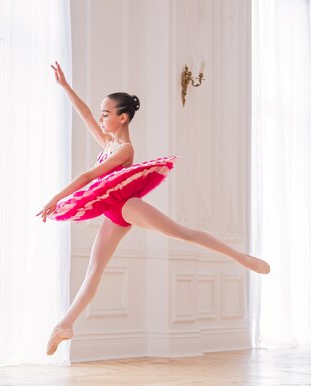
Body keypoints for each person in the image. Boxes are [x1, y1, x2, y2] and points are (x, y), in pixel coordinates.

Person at [37, 62, 270, 356]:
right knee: (93, 271)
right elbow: (84, 114)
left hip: (128, 206)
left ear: (122, 118)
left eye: (106, 113)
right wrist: (65, 86)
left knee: (183, 234)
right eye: (101, 113)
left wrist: (54, 199)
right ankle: (65, 325)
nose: (100, 117)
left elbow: (87, 177)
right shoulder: (108, 143)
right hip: (113, 212)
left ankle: (242, 258)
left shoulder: (124, 151)